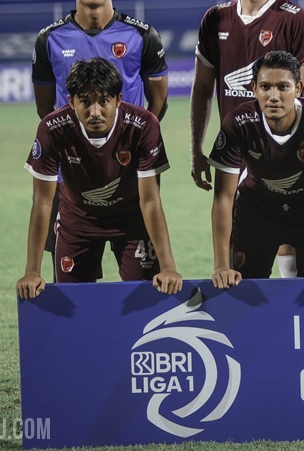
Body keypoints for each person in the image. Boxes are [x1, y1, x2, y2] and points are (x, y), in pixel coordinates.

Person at [190, 0, 304, 277]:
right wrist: (196, 149)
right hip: (238, 156)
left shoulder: (296, 20)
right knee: (245, 262)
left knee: (294, 249)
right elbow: (202, 89)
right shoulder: (215, 20)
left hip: (288, 155)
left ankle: (295, 322)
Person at [31, 0, 169, 270]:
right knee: (73, 289)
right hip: (73, 179)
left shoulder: (142, 36)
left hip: (131, 177)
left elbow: (158, 102)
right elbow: (46, 108)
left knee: (143, 286)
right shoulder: (48, 39)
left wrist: (133, 142)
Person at [17, 58, 182, 296]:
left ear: (118, 100)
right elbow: (42, 201)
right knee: (73, 303)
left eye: (104, 101)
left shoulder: (144, 125)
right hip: (77, 222)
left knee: (145, 298)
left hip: (131, 222)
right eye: (85, 101)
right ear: (71, 102)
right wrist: (32, 270)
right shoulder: (52, 128)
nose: (95, 112)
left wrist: (168, 267)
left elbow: (150, 200)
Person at [207, 51, 304, 290]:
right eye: (265, 86)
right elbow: (223, 197)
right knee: (241, 288)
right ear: (254, 88)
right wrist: (221, 266)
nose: (273, 96)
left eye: (283, 87)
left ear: (298, 88)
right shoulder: (238, 123)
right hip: (256, 210)